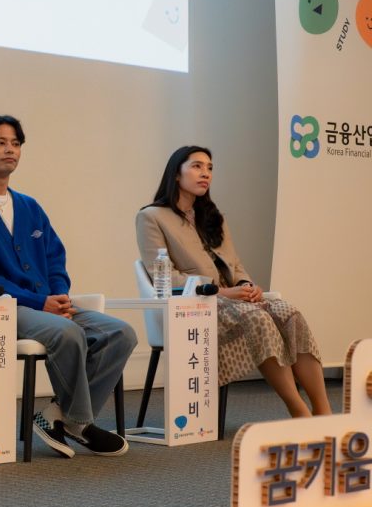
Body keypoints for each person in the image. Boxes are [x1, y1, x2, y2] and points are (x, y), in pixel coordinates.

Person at [0, 114, 135, 458]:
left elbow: (55, 257)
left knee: (121, 333)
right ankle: (77, 421)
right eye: (0, 142)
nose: (10, 150)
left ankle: (60, 417)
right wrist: (38, 301)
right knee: (67, 333)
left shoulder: (30, 206)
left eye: (16, 143)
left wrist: (58, 295)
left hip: (45, 304)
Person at [136, 146, 332, 418]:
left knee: (291, 314)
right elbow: (165, 279)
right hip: (194, 304)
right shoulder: (151, 217)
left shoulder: (214, 217)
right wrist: (225, 292)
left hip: (235, 300)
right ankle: (299, 411)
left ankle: (324, 411)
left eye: (210, 168)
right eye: (196, 166)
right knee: (258, 319)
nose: (205, 173)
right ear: (176, 175)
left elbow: (236, 265)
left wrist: (247, 287)